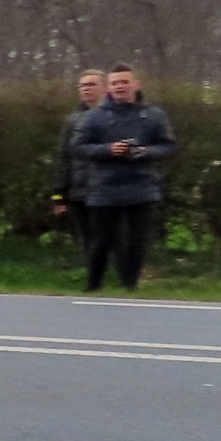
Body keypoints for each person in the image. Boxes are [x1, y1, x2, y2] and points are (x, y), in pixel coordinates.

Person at [74, 65, 178, 292]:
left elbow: (168, 146)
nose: (119, 87)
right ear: (108, 88)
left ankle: (130, 286)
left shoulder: (154, 115)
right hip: (104, 187)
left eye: (124, 82)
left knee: (137, 241)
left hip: (142, 185)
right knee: (101, 241)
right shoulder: (94, 116)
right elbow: (79, 147)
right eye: (114, 83)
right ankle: (93, 287)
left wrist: (145, 152)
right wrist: (108, 149)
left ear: (136, 85)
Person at [51, 69, 106, 251]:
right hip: (80, 191)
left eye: (91, 84)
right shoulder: (72, 121)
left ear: (105, 88)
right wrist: (59, 196)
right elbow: (63, 157)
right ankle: (95, 274)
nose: (86, 89)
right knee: (88, 238)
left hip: (110, 189)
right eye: (82, 85)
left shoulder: (116, 117)